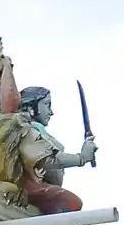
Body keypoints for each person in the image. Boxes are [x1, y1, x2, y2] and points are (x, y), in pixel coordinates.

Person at [12, 86, 97, 214]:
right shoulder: (27, 129)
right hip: (29, 185)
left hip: (42, 185)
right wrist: (81, 158)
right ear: (31, 106)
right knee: (71, 202)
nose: (51, 112)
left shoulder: (35, 130)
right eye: (47, 105)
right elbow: (47, 159)